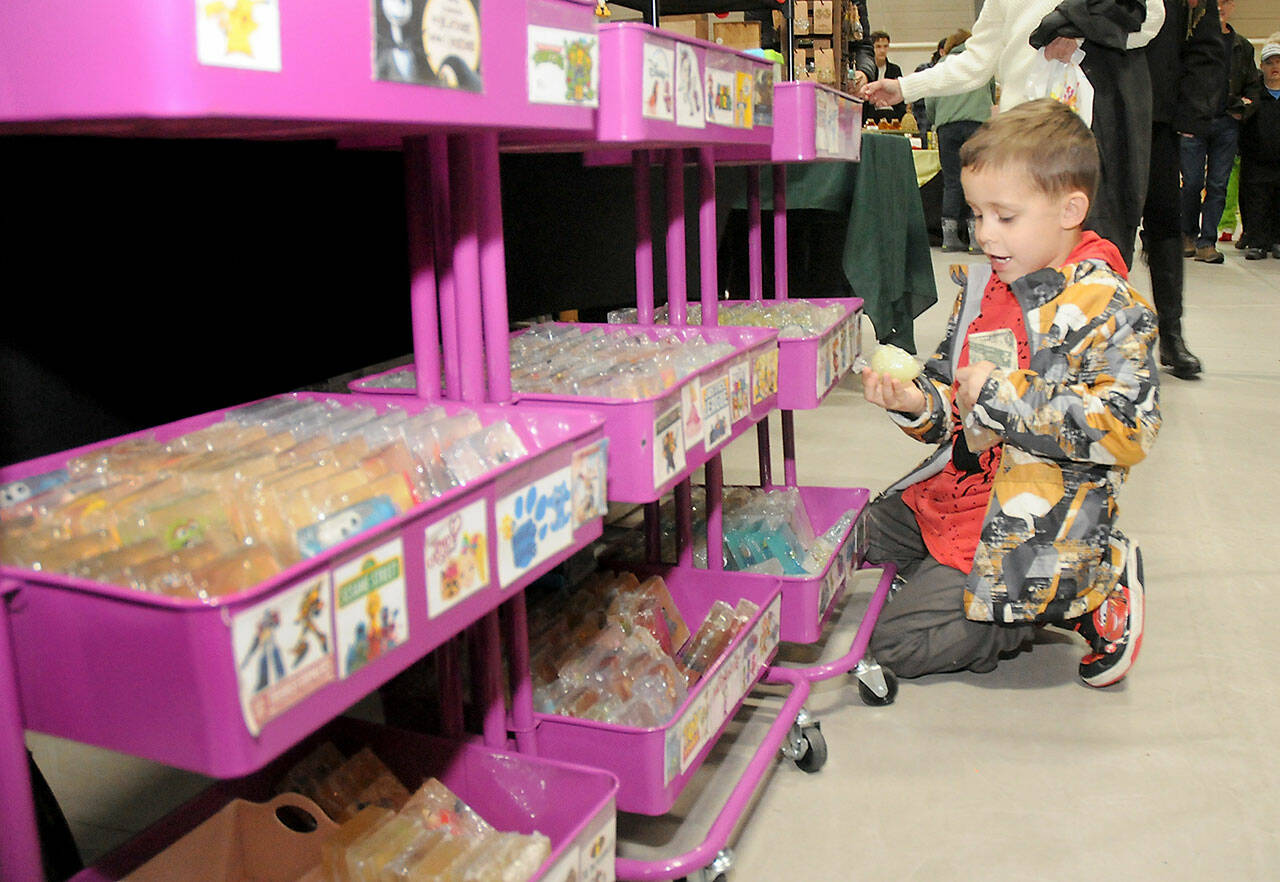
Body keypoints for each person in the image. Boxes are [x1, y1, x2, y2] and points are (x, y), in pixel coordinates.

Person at [860, 100, 1160, 687]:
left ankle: (1088, 586)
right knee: (848, 538)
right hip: (953, 498)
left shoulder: (1109, 308)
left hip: (1029, 525)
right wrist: (917, 404)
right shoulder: (986, 287)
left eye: (1005, 216)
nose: (984, 235)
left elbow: (1128, 429)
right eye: (976, 215)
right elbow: (957, 412)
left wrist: (1005, 395)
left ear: (1071, 209)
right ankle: (955, 576)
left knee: (892, 645)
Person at [862, 0, 1165, 271]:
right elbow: (977, 61)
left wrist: (1079, 33)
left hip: (1092, 140)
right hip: (1021, 146)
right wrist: (905, 87)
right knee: (1019, 257)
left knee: (1093, 258)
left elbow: (1151, 16)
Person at [1139, 0, 1223, 380]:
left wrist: (1192, 113)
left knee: (1166, 226)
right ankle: (1097, 334)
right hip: (1100, 113)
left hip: (1160, 120)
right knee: (1103, 226)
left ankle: (1171, 336)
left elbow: (1205, 49)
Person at [1179, 0, 1256, 264]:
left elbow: (1253, 85)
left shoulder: (1242, 47)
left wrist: (1243, 109)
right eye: (1215, 1)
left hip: (1226, 124)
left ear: (1233, 6)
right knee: (1191, 182)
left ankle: (1207, 241)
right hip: (1194, 122)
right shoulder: (1190, 39)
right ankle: (1186, 233)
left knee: (1218, 185)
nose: (1220, 7)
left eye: (1225, 2)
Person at [925, 31, 994, 253]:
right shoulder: (981, 62)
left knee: (952, 181)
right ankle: (976, 239)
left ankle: (949, 238)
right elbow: (992, 95)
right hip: (976, 126)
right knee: (978, 180)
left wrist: (938, 121)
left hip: (947, 128)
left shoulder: (942, 65)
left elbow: (930, 100)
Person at [1239, 40, 1280, 260]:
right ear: (1261, 67)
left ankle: (1277, 240)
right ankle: (1257, 241)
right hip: (1256, 160)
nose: (1275, 67)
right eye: (1270, 62)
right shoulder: (1254, 97)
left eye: (1279, 62)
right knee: (1256, 201)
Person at [864, 31, 907, 124]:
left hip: (892, 115)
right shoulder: (866, 71)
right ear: (872, 48)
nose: (882, 50)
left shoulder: (895, 69)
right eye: (878, 46)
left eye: (885, 46)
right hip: (870, 115)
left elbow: (900, 94)